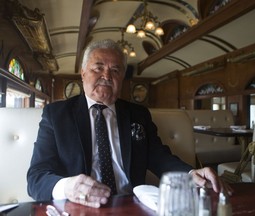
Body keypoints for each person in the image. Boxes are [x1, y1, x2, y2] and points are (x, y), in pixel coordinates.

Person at [27, 39, 232, 208]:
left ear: (122, 78)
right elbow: (36, 178)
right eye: (98, 68)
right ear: (83, 73)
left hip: (131, 205)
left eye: (115, 71)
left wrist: (190, 173)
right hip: (79, 206)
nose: (106, 76)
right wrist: (67, 187)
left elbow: (159, 157)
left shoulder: (138, 114)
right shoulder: (56, 115)